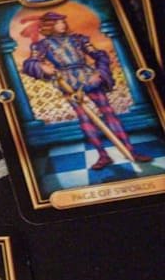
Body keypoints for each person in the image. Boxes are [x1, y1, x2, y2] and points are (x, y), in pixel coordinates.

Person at [22, 10, 151, 170]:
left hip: (89, 77)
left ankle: (131, 151)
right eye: (57, 23)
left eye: (62, 22)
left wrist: (98, 73)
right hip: (67, 83)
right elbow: (30, 63)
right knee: (84, 118)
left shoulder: (78, 39)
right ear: (49, 26)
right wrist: (41, 66)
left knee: (109, 113)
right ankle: (103, 156)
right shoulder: (41, 46)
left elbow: (99, 55)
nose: (62, 25)